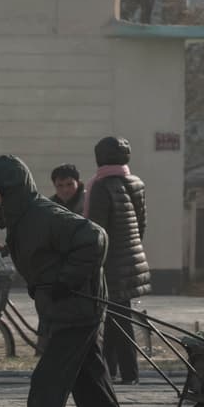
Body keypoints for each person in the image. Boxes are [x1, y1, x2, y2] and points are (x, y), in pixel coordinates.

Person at [0, 155, 143, 407]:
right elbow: (45, 254)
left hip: (77, 311)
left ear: (10, 189)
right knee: (92, 389)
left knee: (46, 385)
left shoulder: (43, 214)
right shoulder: (23, 219)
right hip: (67, 310)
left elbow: (95, 238)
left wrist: (65, 281)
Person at [83, 137, 151, 385]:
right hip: (132, 258)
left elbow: (97, 231)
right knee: (116, 316)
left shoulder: (100, 186)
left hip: (111, 263)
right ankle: (110, 371)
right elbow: (141, 225)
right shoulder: (136, 183)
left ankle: (128, 373)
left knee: (119, 318)